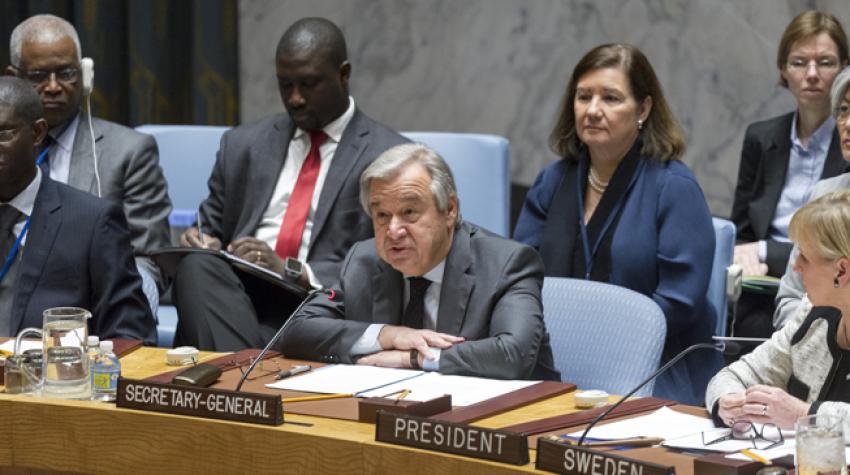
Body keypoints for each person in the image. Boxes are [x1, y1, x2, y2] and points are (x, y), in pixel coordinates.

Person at [172, 17, 407, 351]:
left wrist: (288, 269)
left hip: (318, 303)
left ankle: (243, 384)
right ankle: (254, 381)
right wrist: (200, 240)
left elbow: (388, 261)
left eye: (308, 84)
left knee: (218, 327)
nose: (295, 98)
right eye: (285, 85)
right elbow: (209, 225)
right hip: (235, 295)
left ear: (343, 75)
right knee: (196, 266)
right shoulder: (243, 145)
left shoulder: (390, 156)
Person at [512, 44, 716, 404]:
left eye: (611, 98)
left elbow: (679, 302)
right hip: (551, 361)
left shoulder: (674, 188)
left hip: (651, 371)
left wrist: (604, 340)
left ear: (644, 108)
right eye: (583, 96)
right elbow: (519, 279)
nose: (593, 110)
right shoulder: (552, 181)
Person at [281, 143, 559, 380]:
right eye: (382, 215)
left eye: (409, 212)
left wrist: (411, 359)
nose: (393, 231)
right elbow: (298, 329)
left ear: (449, 209)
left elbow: (513, 354)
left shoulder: (506, 263)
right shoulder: (365, 260)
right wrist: (388, 335)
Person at [6, 14, 171, 317]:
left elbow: (150, 259)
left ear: (85, 74)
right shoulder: (5, 152)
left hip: (92, 299)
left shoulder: (128, 152)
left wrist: (127, 298)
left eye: (66, 73)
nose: (54, 87)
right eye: (39, 75)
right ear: (14, 76)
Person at [0, 76, 154, 341]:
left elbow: (130, 336)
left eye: (3, 134)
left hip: (50, 376)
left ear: (37, 133)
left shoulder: (92, 222)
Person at [731, 11, 849, 337]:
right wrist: (748, 256)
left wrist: (765, 251)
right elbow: (740, 231)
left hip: (828, 283)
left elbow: (837, 246)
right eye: (799, 63)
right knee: (745, 324)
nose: (811, 74)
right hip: (763, 284)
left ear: (844, 69)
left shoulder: (848, 143)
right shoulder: (761, 136)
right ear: (783, 69)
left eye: (825, 62)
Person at [707, 190, 850, 434]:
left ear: (841, 271)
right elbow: (738, 374)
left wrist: (803, 414)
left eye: (804, 256)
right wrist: (727, 403)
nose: (796, 266)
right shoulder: (811, 315)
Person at [775, 66, 850, 329]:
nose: (848, 124)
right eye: (844, 110)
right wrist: (818, 345)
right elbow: (790, 297)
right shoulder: (824, 195)